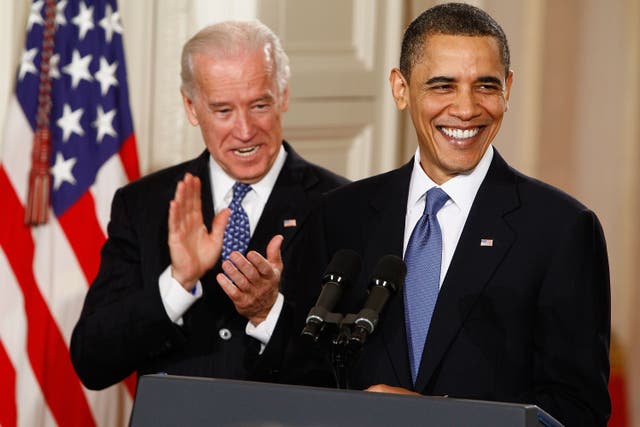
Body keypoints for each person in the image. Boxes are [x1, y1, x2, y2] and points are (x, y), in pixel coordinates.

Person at [289, 3, 610, 426]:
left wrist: (434, 418)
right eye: (443, 86)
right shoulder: (339, 216)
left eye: (486, 86)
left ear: (508, 89)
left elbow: (577, 411)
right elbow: (302, 378)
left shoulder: (562, 230)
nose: (465, 108)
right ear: (400, 88)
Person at [70, 20, 348, 390]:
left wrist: (269, 313)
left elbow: (349, 373)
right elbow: (92, 362)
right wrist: (177, 282)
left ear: (283, 95)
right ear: (191, 107)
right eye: (223, 111)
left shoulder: (339, 206)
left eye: (259, 105)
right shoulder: (144, 204)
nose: (245, 130)